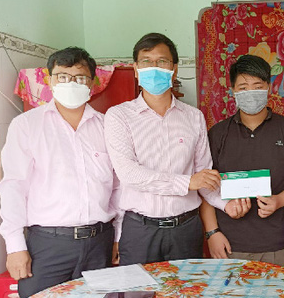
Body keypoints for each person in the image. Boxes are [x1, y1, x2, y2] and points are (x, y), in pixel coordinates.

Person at [0, 47, 122, 298]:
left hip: (98, 241)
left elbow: (118, 187)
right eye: (63, 77)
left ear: (93, 82)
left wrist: (118, 236)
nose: (71, 84)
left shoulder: (107, 126)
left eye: (80, 77)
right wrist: (14, 244)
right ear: (49, 81)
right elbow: (13, 186)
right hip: (46, 244)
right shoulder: (28, 126)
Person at [104, 33, 247, 265]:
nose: (154, 68)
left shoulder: (194, 117)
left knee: (188, 288)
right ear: (136, 69)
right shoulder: (119, 116)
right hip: (141, 230)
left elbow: (204, 177)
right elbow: (129, 174)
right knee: (140, 289)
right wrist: (187, 182)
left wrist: (226, 204)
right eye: (146, 61)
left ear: (174, 69)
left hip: (186, 230)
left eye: (162, 61)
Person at [201, 54, 284, 269]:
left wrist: (279, 200)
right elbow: (204, 186)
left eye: (257, 86)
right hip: (230, 244)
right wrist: (212, 233)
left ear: (268, 87)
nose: (250, 93)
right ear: (233, 91)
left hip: (282, 244)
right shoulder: (217, 134)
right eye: (243, 87)